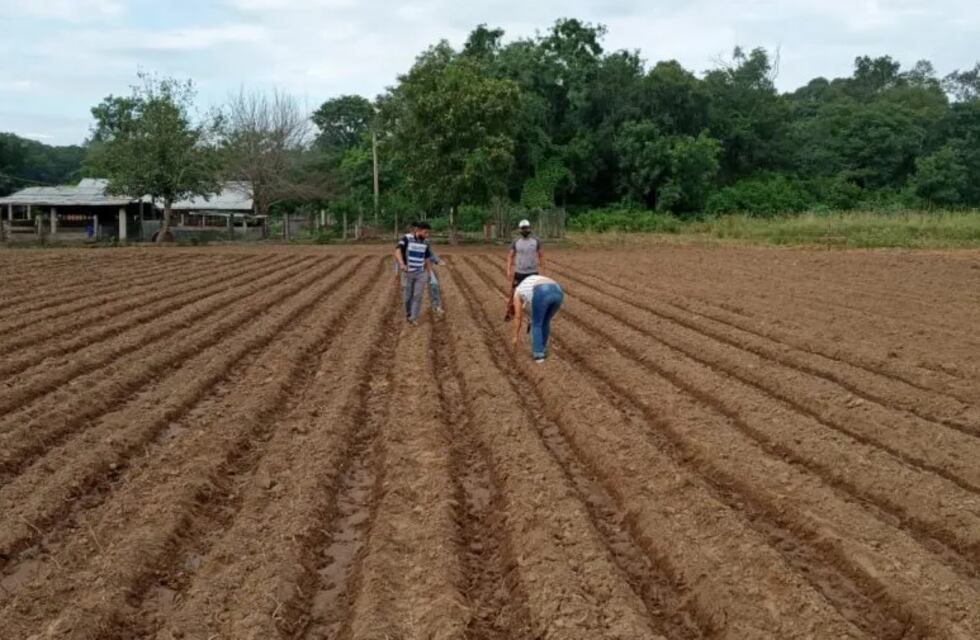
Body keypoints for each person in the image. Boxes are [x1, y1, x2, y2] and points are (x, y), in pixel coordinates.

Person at [511, 274, 564, 362]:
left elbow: (518, 316)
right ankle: (543, 349)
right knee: (545, 321)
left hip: (542, 290)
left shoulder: (517, 292)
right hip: (558, 290)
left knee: (537, 324)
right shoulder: (527, 283)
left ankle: (539, 355)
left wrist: (515, 336)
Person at [394, 221, 433, 326]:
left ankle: (413, 318)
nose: (427, 235)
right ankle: (408, 313)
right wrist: (402, 264)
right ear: (418, 231)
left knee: (418, 296)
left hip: (421, 273)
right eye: (425, 233)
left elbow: (427, 258)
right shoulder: (407, 238)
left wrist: (431, 274)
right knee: (407, 297)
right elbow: (397, 251)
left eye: (428, 233)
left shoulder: (425, 243)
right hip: (408, 272)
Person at [505, 219, 543, 321]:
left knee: (534, 295)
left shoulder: (536, 241)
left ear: (530, 228)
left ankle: (535, 315)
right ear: (520, 229)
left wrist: (542, 269)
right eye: (523, 228)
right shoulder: (516, 241)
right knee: (513, 293)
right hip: (520, 272)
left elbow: (541, 255)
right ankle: (509, 311)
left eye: (527, 228)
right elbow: (510, 256)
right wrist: (509, 270)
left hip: (533, 272)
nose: (525, 230)